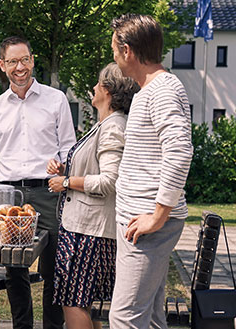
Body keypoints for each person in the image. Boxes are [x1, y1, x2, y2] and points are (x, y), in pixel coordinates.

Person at [0, 36, 76, 329]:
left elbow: (70, 150)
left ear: (32, 60)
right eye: (12, 61)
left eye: (24, 59)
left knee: (53, 268)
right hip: (9, 196)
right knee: (15, 270)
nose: (19, 67)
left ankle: (52, 327)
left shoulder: (55, 99)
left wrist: (61, 167)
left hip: (49, 193)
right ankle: (22, 326)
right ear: (2, 65)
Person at [108, 14, 193, 329]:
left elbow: (180, 151)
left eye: (115, 51)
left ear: (128, 51)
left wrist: (157, 216)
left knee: (124, 317)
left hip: (147, 224)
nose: (114, 58)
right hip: (140, 220)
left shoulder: (163, 91)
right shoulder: (151, 90)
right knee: (152, 317)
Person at [46, 63, 140, 329]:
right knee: (83, 302)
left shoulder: (112, 127)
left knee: (74, 302)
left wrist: (66, 181)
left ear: (108, 91)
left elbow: (110, 180)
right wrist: (67, 169)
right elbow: (98, 169)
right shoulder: (105, 124)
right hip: (85, 229)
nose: (94, 88)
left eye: (99, 83)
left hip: (89, 232)